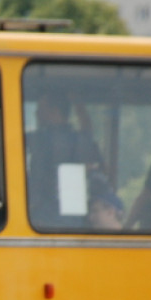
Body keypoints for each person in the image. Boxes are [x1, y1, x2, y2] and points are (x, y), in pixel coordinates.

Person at [26, 91, 105, 229]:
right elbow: (88, 129)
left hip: (43, 215)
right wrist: (78, 103)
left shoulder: (40, 139)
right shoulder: (81, 139)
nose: (36, 113)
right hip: (74, 215)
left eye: (41, 109)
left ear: (54, 111)